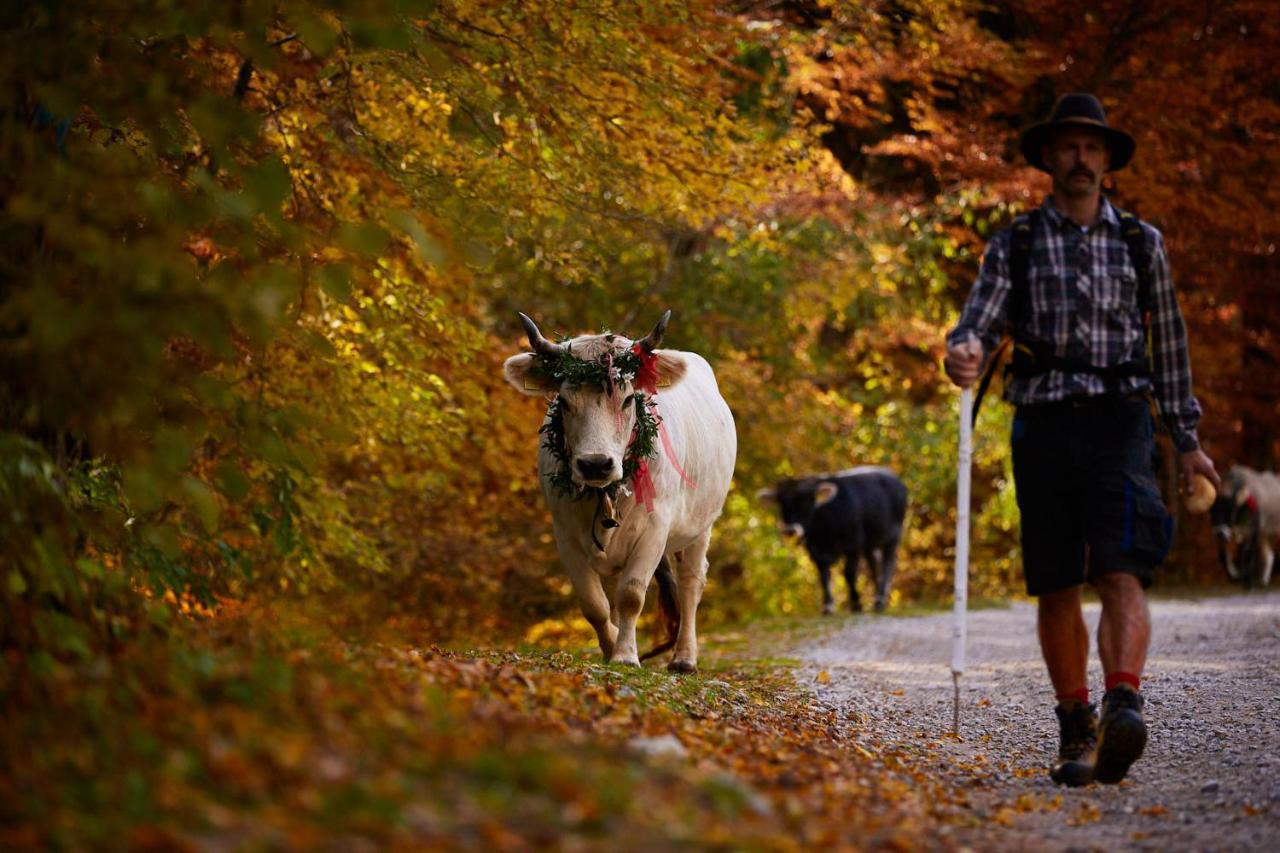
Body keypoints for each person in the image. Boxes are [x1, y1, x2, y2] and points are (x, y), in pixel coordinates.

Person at [943, 93, 1221, 787]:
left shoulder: (1140, 243)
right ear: (1048, 158)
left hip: (1121, 419)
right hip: (1041, 420)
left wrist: (1186, 439)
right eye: (1068, 146)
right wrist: (964, 351)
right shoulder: (1016, 241)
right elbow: (977, 319)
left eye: (1091, 147)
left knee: (1122, 567)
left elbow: (1171, 344)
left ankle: (1123, 699)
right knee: (1058, 579)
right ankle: (1077, 724)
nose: (1079, 158)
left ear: (1107, 161)